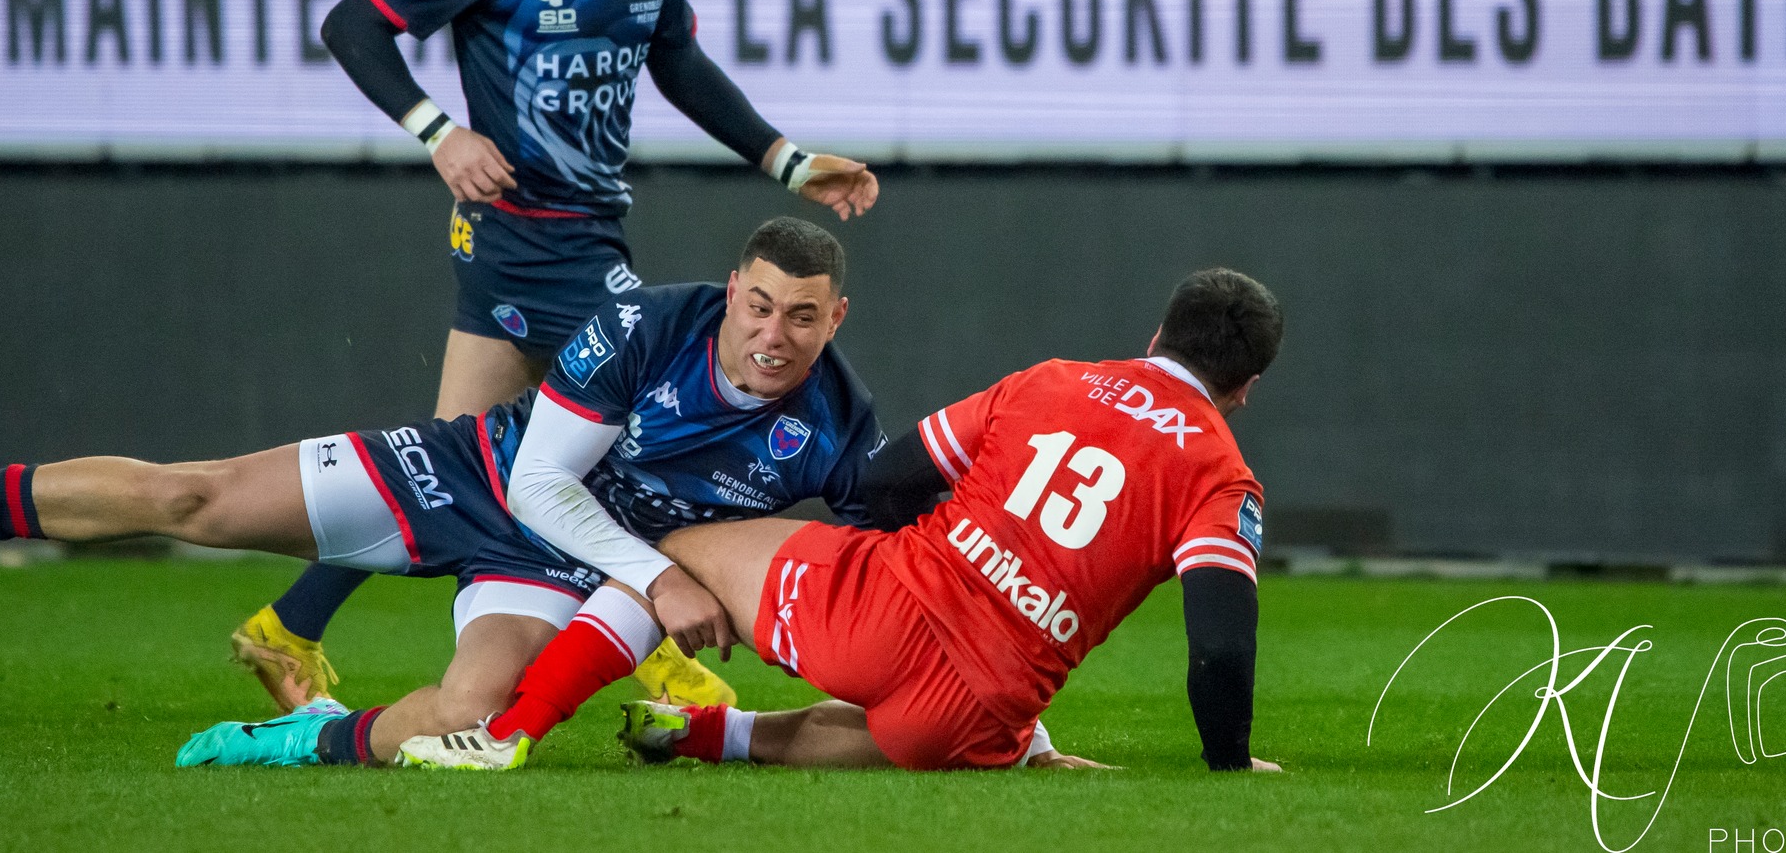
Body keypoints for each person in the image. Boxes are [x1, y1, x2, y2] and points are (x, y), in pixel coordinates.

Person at [226, 0, 879, 718]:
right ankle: (651, 646)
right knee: (637, 413)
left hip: (587, 224)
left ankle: (289, 625)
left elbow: (679, 61)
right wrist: (439, 133)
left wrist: (785, 160)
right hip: (526, 236)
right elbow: (352, 24)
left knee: (449, 460)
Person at [0, 219, 889, 769]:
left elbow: (891, 575)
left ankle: (292, 740)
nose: (775, 334)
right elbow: (537, 480)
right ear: (733, 291)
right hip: (466, 474)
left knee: (472, 718)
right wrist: (661, 579)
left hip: (562, 566)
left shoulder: (840, 424)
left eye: (803, 316)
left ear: (837, 316)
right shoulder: (647, 323)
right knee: (191, 499)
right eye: (760, 305)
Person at [402, 267, 1282, 775]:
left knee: (672, 554)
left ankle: (510, 733)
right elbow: (1222, 647)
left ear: (1158, 328)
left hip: (877, 607)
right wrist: (1230, 764)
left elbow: (887, 479)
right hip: (978, 702)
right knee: (912, 734)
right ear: (1247, 388)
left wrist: (918, 557)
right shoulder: (1222, 475)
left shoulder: (1052, 380)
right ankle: (706, 733)